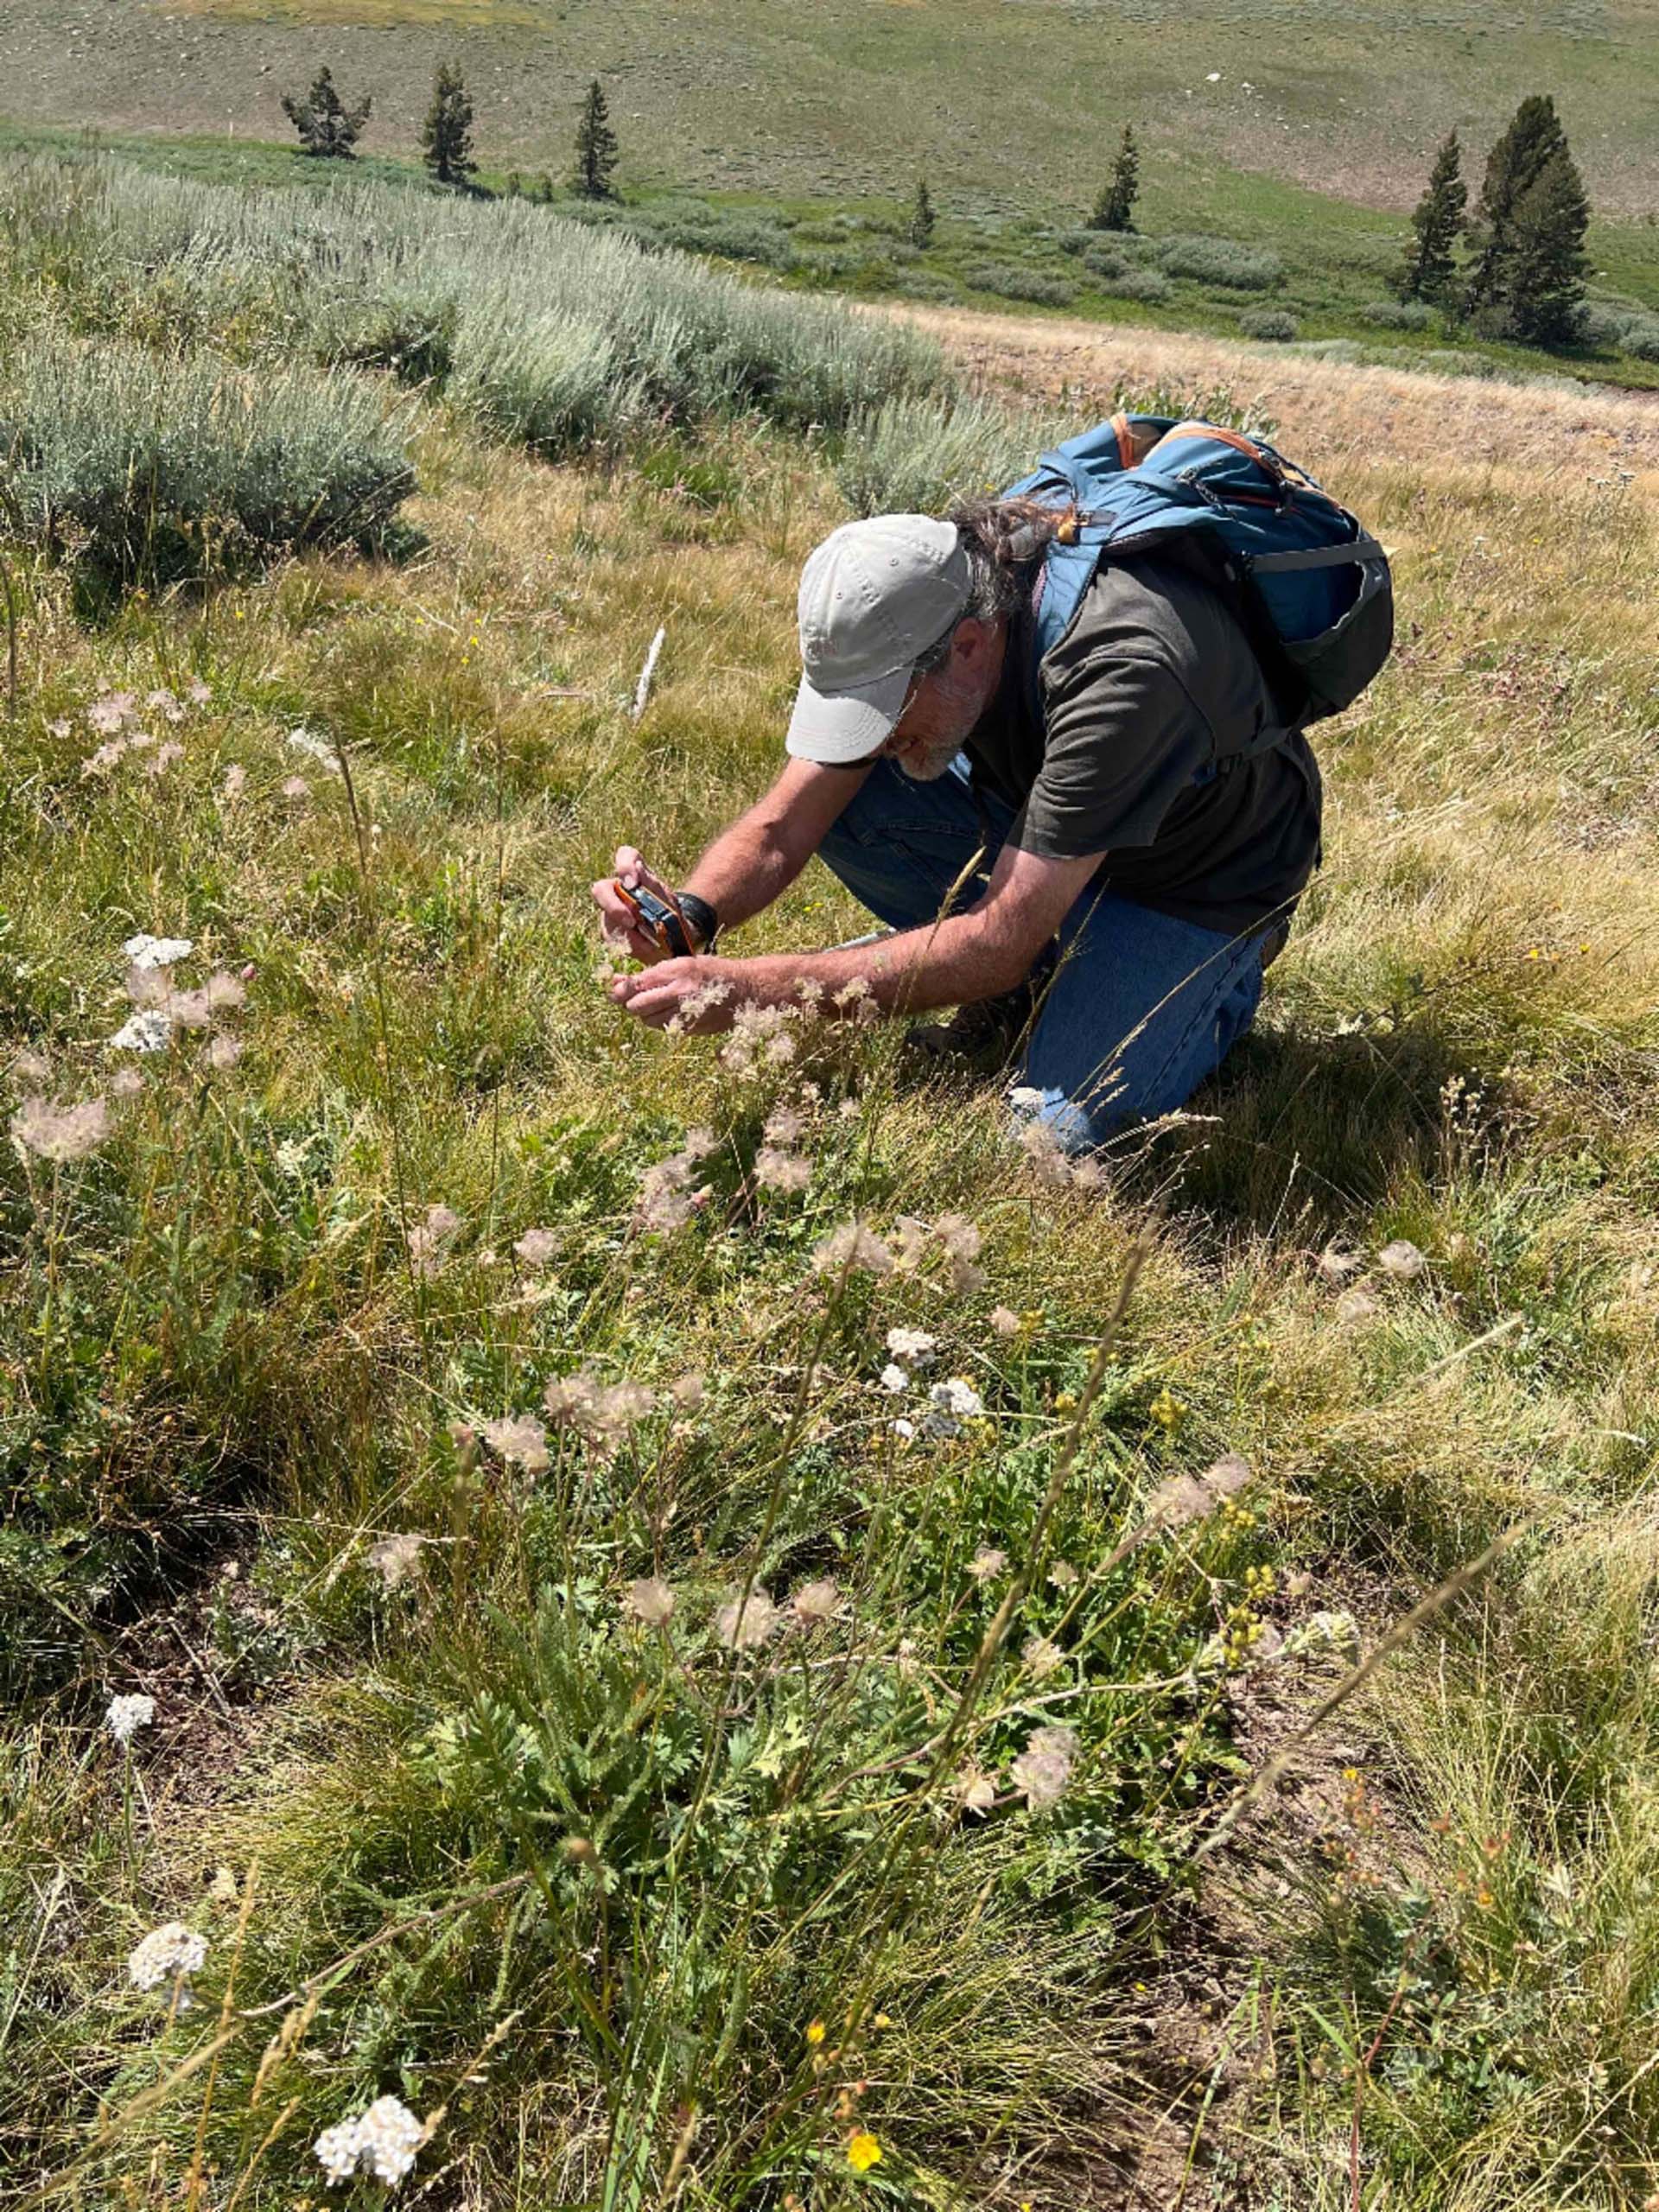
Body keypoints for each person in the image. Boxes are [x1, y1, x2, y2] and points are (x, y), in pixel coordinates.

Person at [591, 500, 1322, 1154]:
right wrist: (691, 913)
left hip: (1196, 886)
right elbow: (787, 822)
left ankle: (1219, 980)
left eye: (888, 708)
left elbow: (997, 941)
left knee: (1051, 1136)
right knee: (858, 787)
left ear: (970, 645)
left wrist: (749, 989)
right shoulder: (943, 588)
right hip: (1059, 829)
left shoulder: (1124, 675)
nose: (876, 738)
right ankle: (1048, 975)